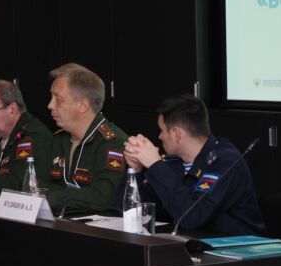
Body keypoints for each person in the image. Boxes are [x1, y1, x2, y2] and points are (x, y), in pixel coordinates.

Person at [121, 93, 264, 235]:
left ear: (176, 134)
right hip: (189, 242)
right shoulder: (173, 161)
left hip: (237, 245)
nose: (159, 136)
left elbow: (193, 216)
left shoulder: (226, 162)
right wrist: (135, 171)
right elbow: (136, 209)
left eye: (161, 130)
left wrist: (155, 164)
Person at [46, 63, 128, 215]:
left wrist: (51, 198)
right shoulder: (59, 139)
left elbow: (103, 196)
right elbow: (41, 184)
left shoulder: (112, 142)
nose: (50, 105)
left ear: (83, 105)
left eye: (58, 99)